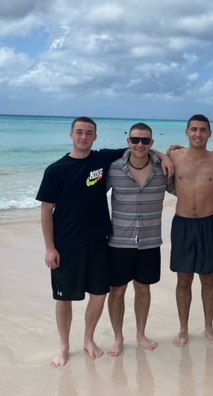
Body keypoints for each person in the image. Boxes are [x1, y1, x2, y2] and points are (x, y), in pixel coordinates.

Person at [36, 117, 172, 367]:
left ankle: (88, 339)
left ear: (95, 137)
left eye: (89, 133)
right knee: (63, 298)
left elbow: (140, 149)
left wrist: (163, 155)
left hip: (100, 241)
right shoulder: (55, 170)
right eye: (79, 132)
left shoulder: (102, 160)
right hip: (66, 244)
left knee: (99, 295)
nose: (84, 137)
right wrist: (50, 247)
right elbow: (46, 211)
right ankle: (64, 346)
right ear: (71, 135)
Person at [106, 123, 175, 356]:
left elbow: (183, 188)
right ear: (128, 141)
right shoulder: (114, 169)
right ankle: (118, 337)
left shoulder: (162, 170)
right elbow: (90, 196)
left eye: (145, 141)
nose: (140, 145)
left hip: (150, 240)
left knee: (143, 289)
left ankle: (141, 333)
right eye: (135, 140)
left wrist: (211, 193)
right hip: (119, 241)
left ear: (152, 144)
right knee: (117, 291)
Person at [168, 114, 213, 347]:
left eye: (203, 130)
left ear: (210, 133)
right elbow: (149, 161)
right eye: (193, 129)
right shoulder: (174, 156)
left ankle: (208, 326)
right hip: (182, 224)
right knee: (183, 279)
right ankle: (183, 329)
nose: (198, 134)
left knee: (208, 278)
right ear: (186, 132)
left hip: (207, 224)